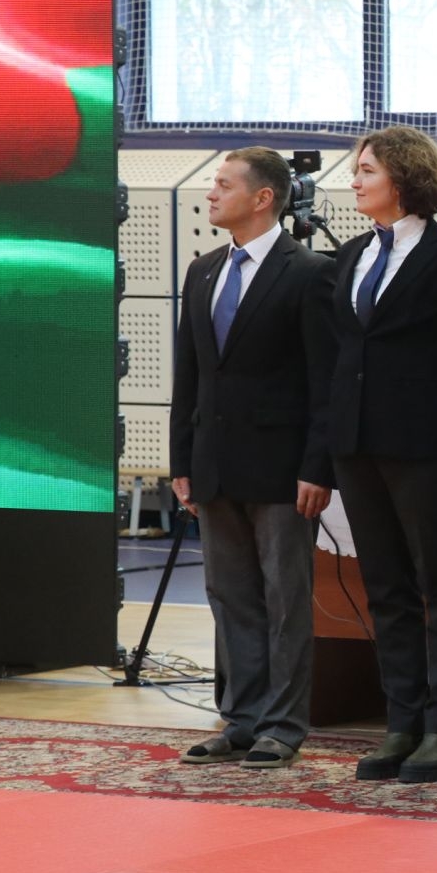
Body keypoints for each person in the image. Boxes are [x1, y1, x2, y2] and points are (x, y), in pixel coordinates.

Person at [328, 126, 437, 783]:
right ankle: (402, 723)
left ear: (402, 178)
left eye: (367, 170)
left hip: (421, 440)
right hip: (356, 442)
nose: (355, 180)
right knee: (386, 586)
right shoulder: (351, 255)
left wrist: (410, 386)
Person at [170, 147, 337, 770]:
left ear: (263, 197)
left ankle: (283, 726)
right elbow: (190, 375)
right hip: (214, 464)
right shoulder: (203, 270)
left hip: (282, 468)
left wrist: (317, 467)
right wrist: (181, 460)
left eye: (223, 184)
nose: (210, 194)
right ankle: (240, 720)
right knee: (230, 596)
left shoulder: (310, 272)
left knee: (285, 598)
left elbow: (324, 383)